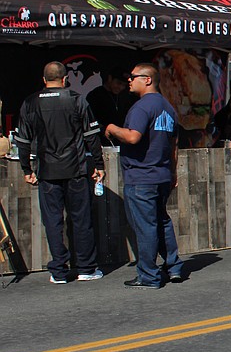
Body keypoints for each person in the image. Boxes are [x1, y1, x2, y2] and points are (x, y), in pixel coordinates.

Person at [13, 61, 105, 284]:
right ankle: (86, 268)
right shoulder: (76, 99)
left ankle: (59, 271)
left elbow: (22, 140)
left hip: (47, 171)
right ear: (65, 79)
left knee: (53, 221)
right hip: (76, 170)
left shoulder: (31, 102)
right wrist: (99, 165)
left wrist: (26, 168)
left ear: (44, 80)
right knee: (81, 220)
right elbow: (92, 136)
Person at [105, 64, 186, 288]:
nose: (129, 81)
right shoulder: (168, 107)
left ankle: (149, 275)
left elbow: (132, 137)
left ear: (147, 80)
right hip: (160, 175)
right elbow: (174, 145)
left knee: (146, 226)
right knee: (161, 221)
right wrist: (172, 172)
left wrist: (112, 128)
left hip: (141, 176)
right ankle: (174, 267)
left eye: (133, 77)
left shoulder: (142, 107)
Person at [86, 68, 135, 145]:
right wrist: (103, 129)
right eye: (118, 83)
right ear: (110, 78)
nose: (121, 87)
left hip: (121, 142)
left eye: (124, 85)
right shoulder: (95, 95)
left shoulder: (125, 96)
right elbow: (89, 121)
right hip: (101, 142)